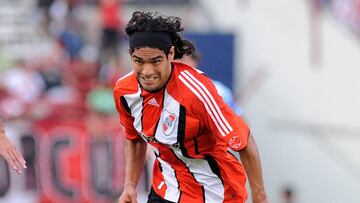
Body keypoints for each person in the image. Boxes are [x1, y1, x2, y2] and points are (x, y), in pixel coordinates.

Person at [114, 11, 269, 203]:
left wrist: (260, 197)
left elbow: (245, 143)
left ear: (170, 54)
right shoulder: (124, 91)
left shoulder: (197, 92)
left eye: (155, 61)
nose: (147, 71)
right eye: (139, 61)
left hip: (215, 193)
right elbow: (135, 139)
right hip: (166, 188)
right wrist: (130, 185)